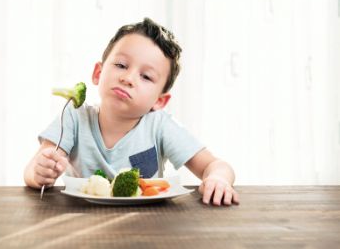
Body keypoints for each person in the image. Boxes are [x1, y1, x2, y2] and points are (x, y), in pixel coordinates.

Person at [24, 18, 239, 206]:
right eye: (121, 65)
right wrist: (39, 173)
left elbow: (215, 165)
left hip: (148, 224)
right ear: (98, 73)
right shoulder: (74, 116)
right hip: (79, 219)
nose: (128, 78)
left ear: (160, 101)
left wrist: (218, 179)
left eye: (146, 77)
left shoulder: (160, 126)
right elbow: (33, 170)